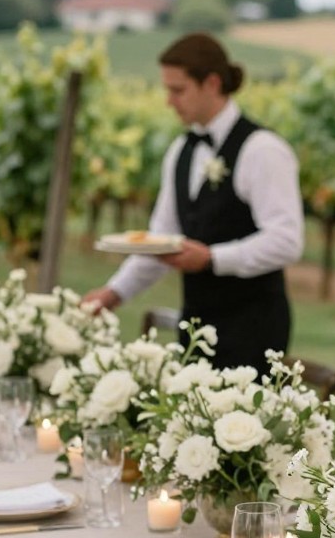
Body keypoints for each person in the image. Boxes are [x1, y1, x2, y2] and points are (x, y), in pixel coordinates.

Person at [83, 33, 304, 372]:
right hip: (195, 326)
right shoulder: (180, 151)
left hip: (253, 331)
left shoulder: (263, 151)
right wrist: (113, 293)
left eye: (178, 90)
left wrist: (213, 258)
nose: (169, 101)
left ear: (212, 83)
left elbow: (287, 241)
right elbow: (162, 239)